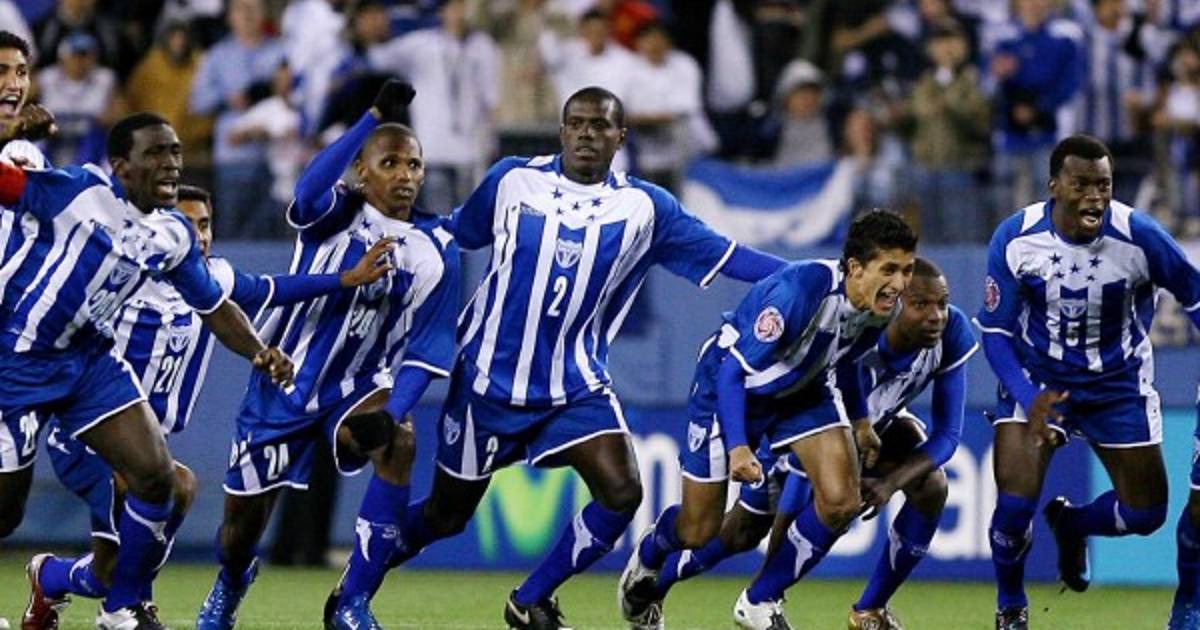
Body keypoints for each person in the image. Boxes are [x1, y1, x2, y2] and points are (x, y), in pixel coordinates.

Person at [322, 85, 787, 630]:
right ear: (562, 130)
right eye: (577, 123)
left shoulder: (647, 208)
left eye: (600, 125)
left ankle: (529, 600)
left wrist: (810, 277)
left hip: (574, 386)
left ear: (620, 137)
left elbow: (731, 257)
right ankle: (356, 587)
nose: (587, 133)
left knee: (622, 492)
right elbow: (453, 233)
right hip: (485, 383)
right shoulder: (512, 179)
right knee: (446, 516)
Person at [21, 183, 393, 629]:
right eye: (187, 224)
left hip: (143, 443)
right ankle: (125, 608)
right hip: (86, 437)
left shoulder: (212, 278)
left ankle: (51, 577)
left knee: (108, 567)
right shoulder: (126, 272)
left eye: (205, 224)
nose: (198, 235)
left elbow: (271, 288)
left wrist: (344, 279)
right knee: (170, 486)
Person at [0, 111, 294, 630]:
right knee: (5, 512)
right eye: (155, 153)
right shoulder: (78, 191)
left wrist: (258, 350)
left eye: (175, 152)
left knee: (158, 478)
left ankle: (121, 609)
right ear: (121, 166)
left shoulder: (172, 233)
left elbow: (214, 305)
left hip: (87, 361)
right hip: (17, 359)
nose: (170, 164)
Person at [195, 79, 462, 630]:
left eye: (414, 164)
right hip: (284, 382)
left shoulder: (437, 249)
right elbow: (308, 188)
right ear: (361, 171)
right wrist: (370, 118)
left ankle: (352, 601)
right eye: (390, 163)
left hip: (357, 385)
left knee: (400, 440)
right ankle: (232, 581)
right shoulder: (337, 212)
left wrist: (392, 410)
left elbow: (429, 347)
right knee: (237, 536)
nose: (405, 175)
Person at [626, 258, 976, 630]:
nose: (937, 316)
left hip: (871, 431)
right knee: (740, 533)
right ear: (895, 301)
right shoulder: (862, 337)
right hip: (797, 434)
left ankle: (869, 610)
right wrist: (773, 584)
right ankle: (655, 587)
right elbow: (801, 472)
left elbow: (947, 435)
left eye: (942, 303)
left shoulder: (951, 331)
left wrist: (890, 483)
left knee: (931, 484)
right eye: (921, 304)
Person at [975, 134, 1200, 630]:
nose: (1095, 197)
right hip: (1039, 380)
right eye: (1082, 185)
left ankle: (1073, 523)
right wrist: (1029, 396)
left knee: (1146, 516)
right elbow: (994, 334)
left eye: (1104, 185)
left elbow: (1195, 295)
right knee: (1013, 507)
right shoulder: (1016, 238)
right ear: (1054, 186)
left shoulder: (1140, 236)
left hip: (1118, 385)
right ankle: (1011, 607)